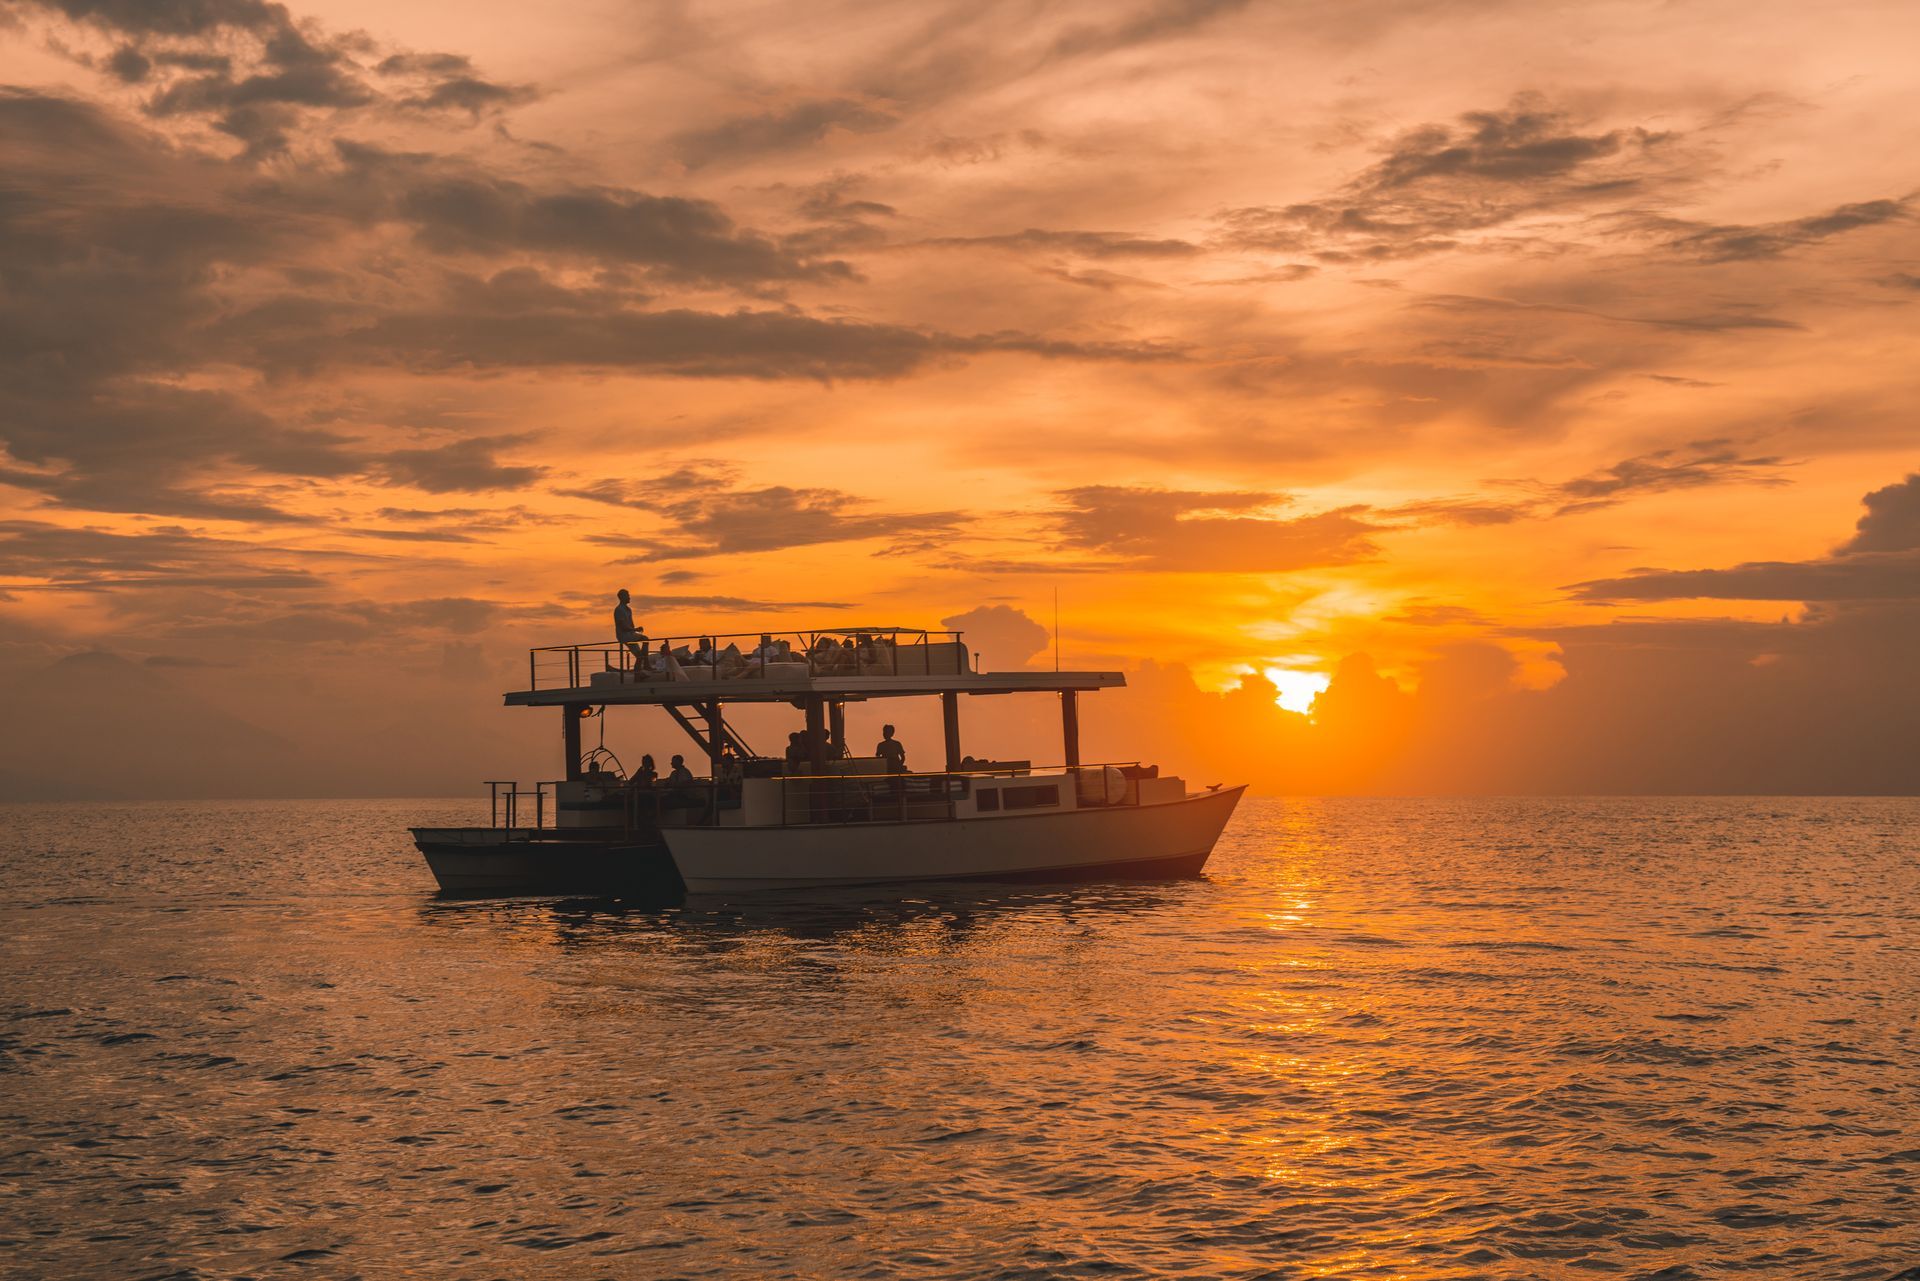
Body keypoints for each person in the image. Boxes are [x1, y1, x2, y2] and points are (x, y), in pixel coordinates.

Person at [612, 589, 647, 670]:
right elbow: (623, 627)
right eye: (627, 595)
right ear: (622, 597)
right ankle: (645, 664)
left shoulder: (628, 610)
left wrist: (634, 630)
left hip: (630, 635)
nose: (629, 597)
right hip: (624, 636)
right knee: (645, 639)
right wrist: (635, 629)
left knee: (640, 655)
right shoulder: (619, 610)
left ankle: (640, 668)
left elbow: (630, 625)